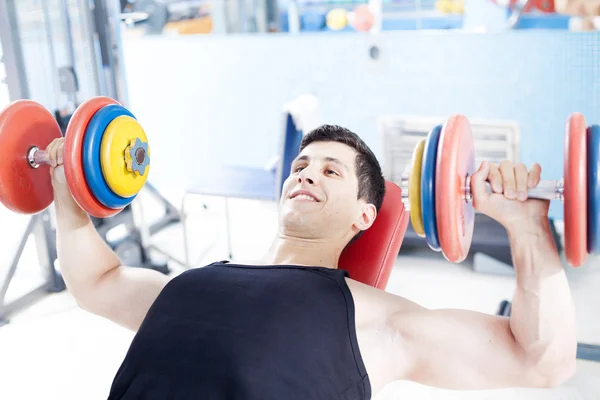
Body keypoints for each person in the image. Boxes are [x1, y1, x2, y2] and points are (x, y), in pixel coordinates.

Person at [45, 125, 577, 399]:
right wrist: (62, 182)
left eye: (330, 172)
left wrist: (527, 227)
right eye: (301, 166)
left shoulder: (376, 322)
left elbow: (542, 361)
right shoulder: (190, 285)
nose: (305, 174)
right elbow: (96, 279)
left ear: (366, 216)